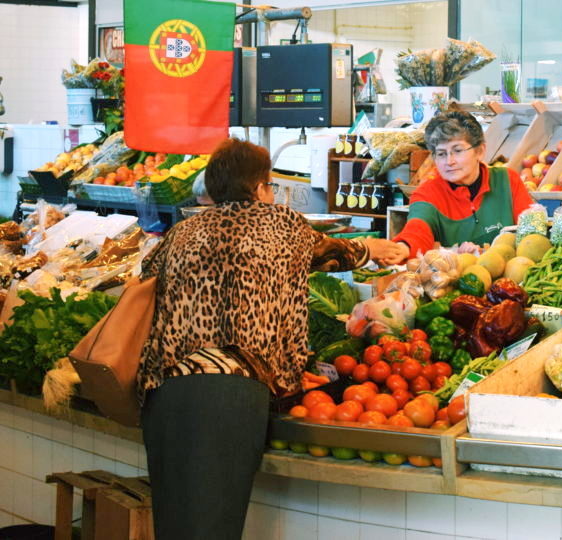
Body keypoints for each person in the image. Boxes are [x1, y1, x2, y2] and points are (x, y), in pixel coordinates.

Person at [136, 138, 401, 540]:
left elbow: (145, 276)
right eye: (270, 184)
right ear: (260, 187)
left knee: (172, 519)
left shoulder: (182, 232)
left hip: (166, 390)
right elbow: (334, 252)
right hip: (234, 392)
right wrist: (374, 250)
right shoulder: (284, 226)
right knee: (216, 521)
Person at [381, 109, 533, 262]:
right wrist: (403, 247)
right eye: (441, 154)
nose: (449, 161)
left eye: (457, 151)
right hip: (456, 281)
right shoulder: (427, 194)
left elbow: (530, 233)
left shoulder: (507, 180)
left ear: (480, 151)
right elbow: (417, 230)